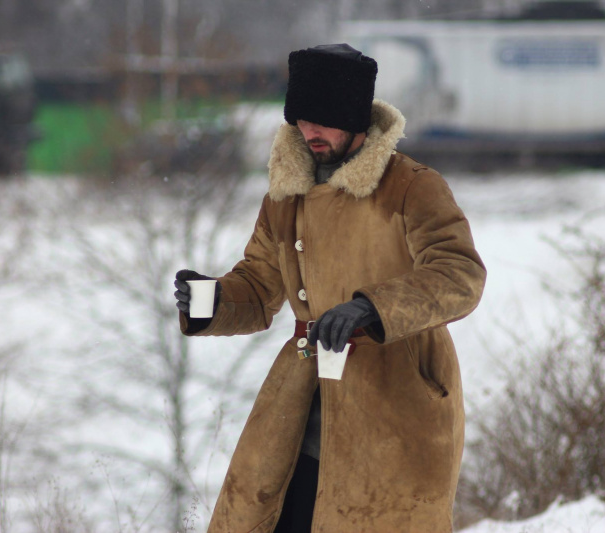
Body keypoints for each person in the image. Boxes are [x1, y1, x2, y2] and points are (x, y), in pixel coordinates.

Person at [173, 43, 486, 533]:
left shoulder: (412, 186)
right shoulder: (286, 194)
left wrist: (371, 310)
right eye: (301, 119)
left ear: (356, 119)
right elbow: (258, 287)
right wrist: (209, 299)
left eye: (322, 120)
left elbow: (460, 274)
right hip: (300, 400)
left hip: (396, 402)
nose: (309, 132)